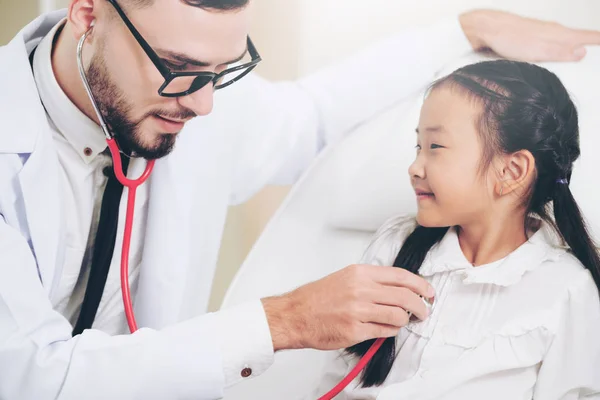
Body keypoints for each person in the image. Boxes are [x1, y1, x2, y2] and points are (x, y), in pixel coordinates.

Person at [0, 0, 599, 398]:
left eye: (221, 71)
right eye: (179, 68)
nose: (203, 104)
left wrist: (459, 31)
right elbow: (31, 376)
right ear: (85, 11)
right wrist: (285, 320)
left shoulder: (558, 288)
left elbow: (313, 116)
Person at [310, 60, 600, 399]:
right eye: (419, 146)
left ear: (512, 170)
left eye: (435, 147)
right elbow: (337, 374)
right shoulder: (394, 246)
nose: (415, 167)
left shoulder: (566, 290)